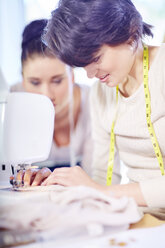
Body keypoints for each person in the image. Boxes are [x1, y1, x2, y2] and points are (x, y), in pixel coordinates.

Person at [38, 0, 165, 219]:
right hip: (141, 219)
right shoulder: (100, 93)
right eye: (82, 65)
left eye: (96, 58)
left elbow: (104, 190)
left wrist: (103, 191)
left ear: (131, 33)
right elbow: (101, 179)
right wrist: (57, 186)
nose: (89, 75)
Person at [13, 19, 93, 186]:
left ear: (72, 75)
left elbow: (102, 182)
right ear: (22, 80)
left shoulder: (94, 103)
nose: (46, 94)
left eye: (57, 81)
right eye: (34, 82)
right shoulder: (12, 102)